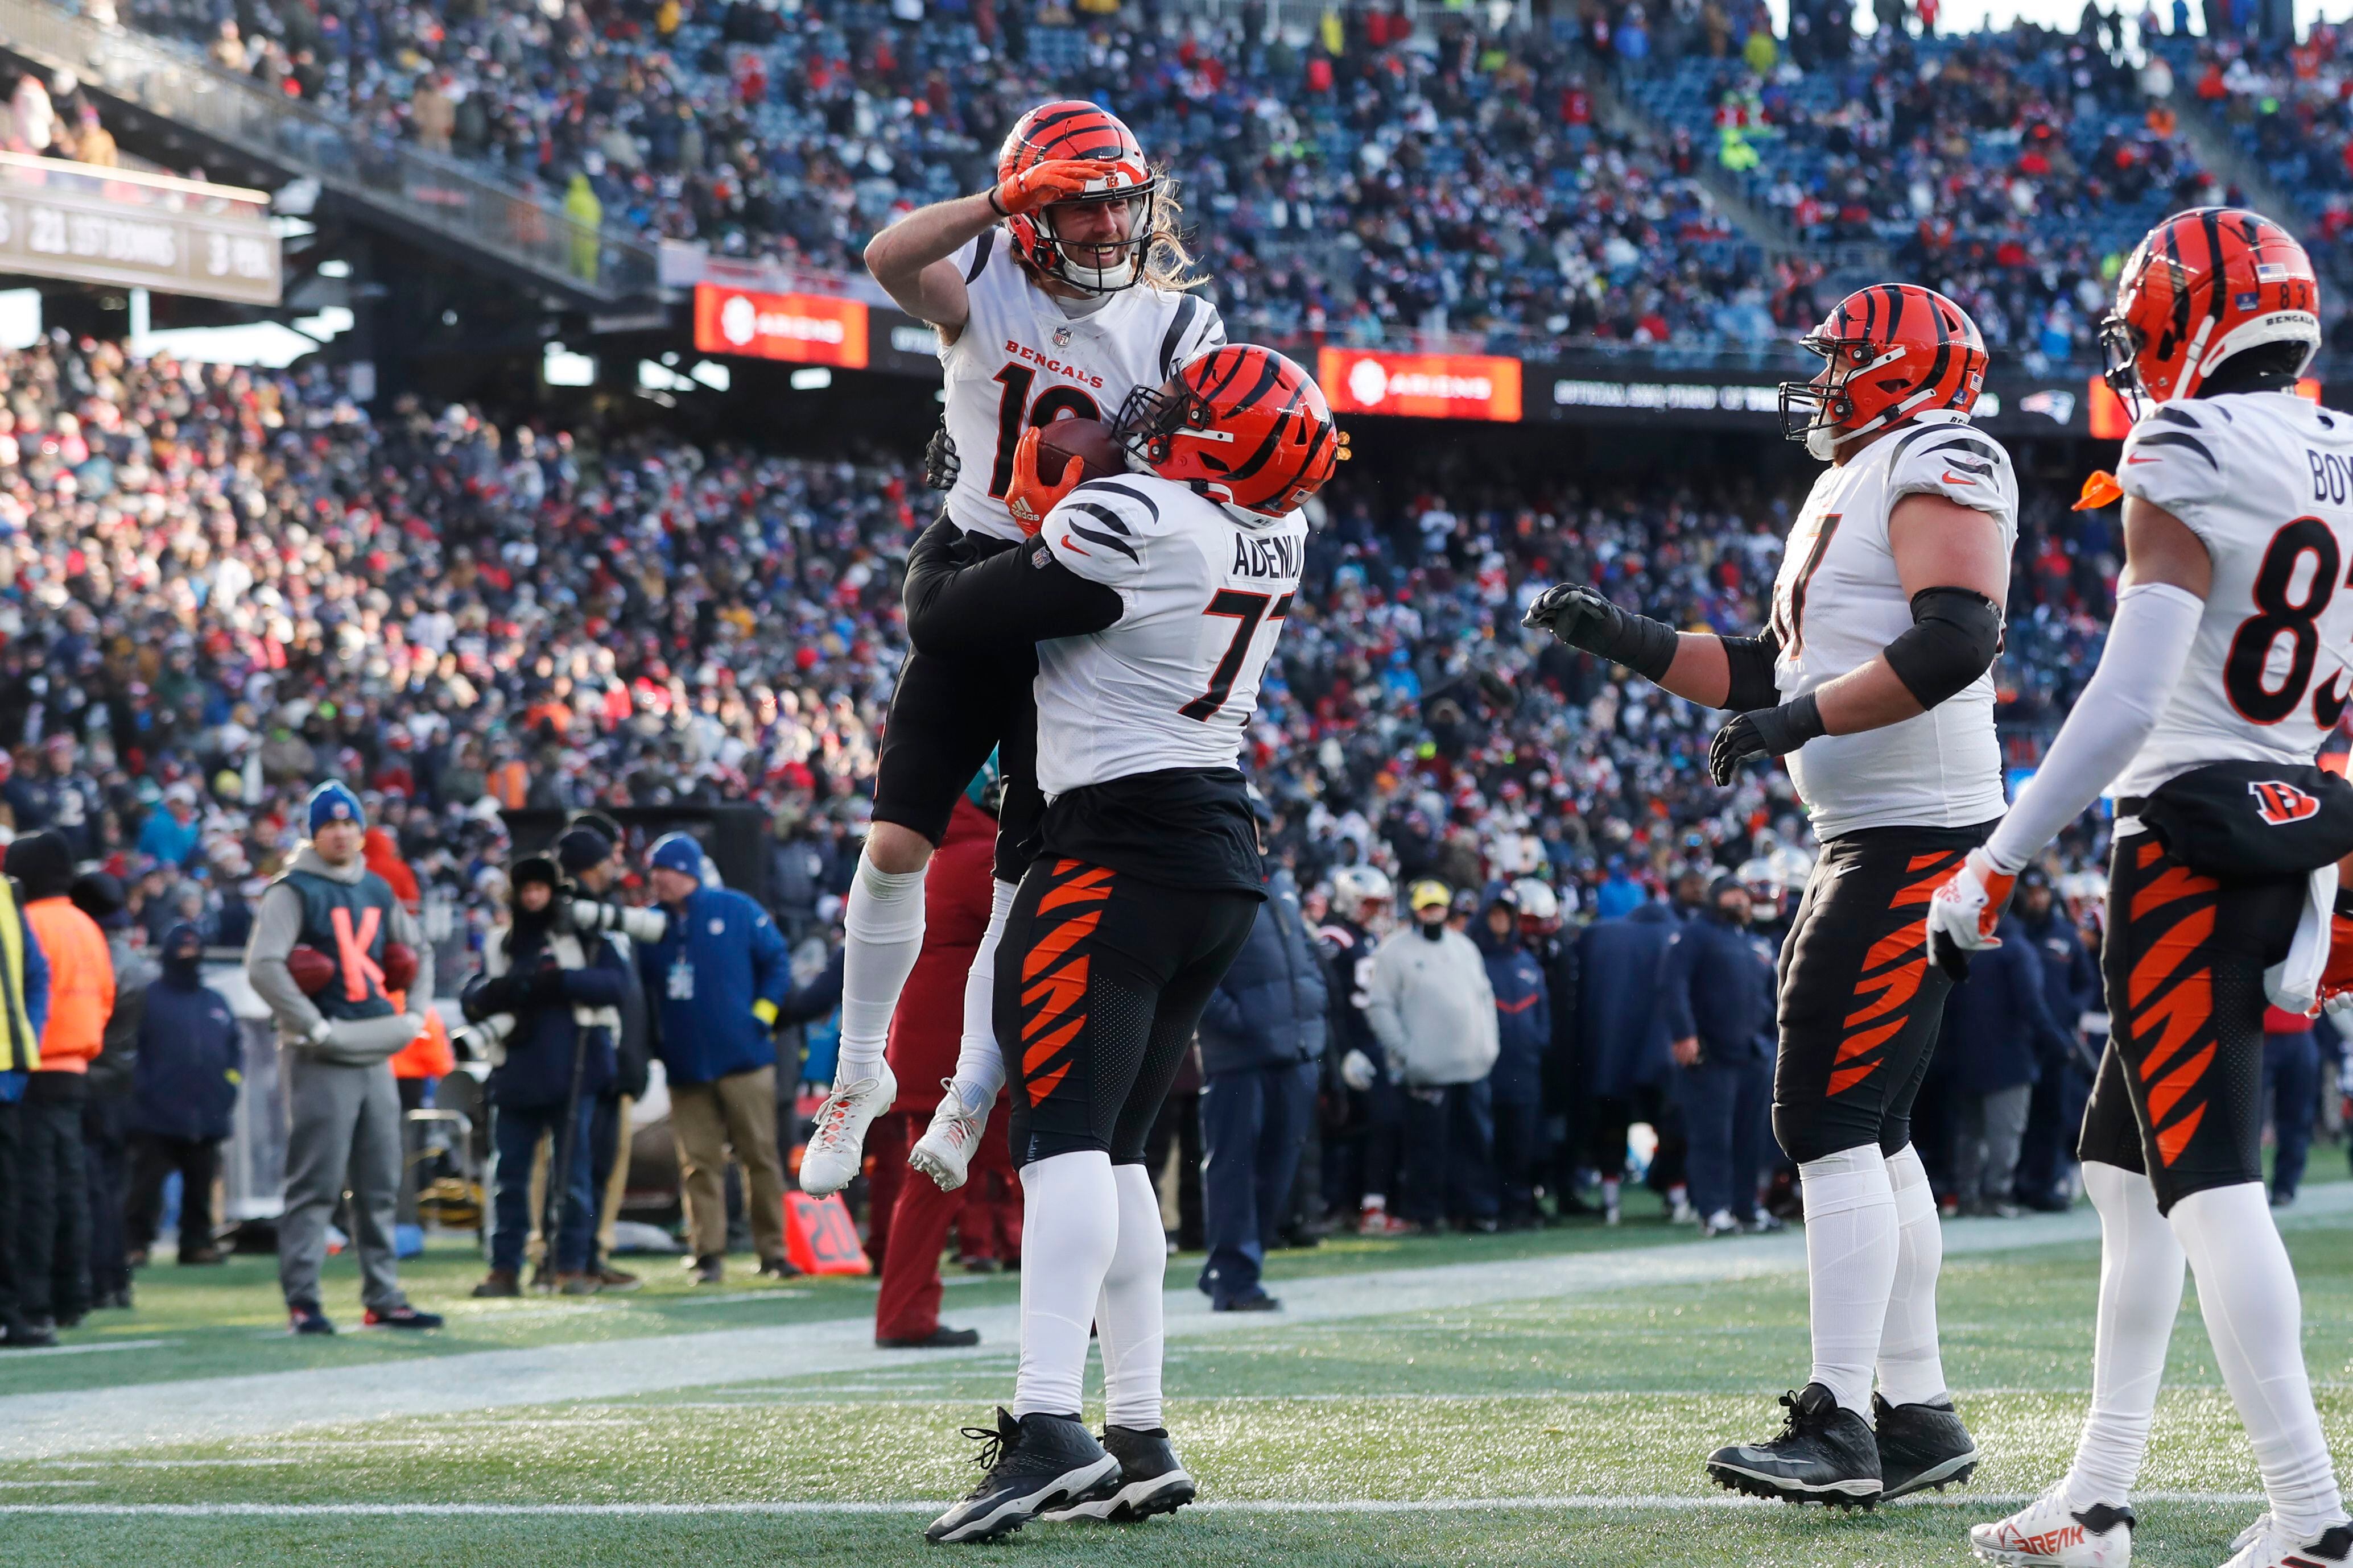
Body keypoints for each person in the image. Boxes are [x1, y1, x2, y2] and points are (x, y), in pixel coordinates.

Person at [1529, 282, 2012, 1504]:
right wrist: (1622, 636)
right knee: (1876, 1127)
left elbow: (1957, 637)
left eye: (1844, 358)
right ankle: (1916, 1409)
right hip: (1878, 827)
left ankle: (1842, 1419)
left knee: (1824, 1116)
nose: (1821, 377)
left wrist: (1790, 717)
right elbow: (1766, 663)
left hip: (1910, 830)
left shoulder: (1940, 451)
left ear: (1902, 372)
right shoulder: (1857, 473)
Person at [1939, 209, 2353, 1568]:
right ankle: (2093, 1496)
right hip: (2290, 815)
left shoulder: (2181, 439)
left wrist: (1996, 854)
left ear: (2193, 316)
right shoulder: (2341, 448)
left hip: (2180, 835)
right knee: (2121, 1173)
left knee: (2207, 1182)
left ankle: (2308, 1509)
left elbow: (2128, 692)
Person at [899, 342, 1338, 1542]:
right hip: (1213, 847)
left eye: (1188, 408)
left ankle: (1048, 1421)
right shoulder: (1274, 531)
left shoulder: (1142, 521)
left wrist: (968, 506)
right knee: (1122, 1152)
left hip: (1116, 848)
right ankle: (1138, 1429)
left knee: (1063, 1141)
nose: (1161, 413)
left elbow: (943, 620)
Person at [804, 99, 1227, 1203]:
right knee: (898, 837)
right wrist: (1003, 198)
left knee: (1024, 864)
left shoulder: (1179, 327)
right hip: (985, 554)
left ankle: (971, 1086)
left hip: (1087, 581)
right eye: (1079, 209)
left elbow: (1211, 464)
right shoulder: (983, 273)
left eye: (1117, 207)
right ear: (1034, 213)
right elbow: (888, 256)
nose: (1104, 229)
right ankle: (859, 1073)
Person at [244, 783, 440, 1335]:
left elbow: (418, 952)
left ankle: (384, 1293)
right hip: (322, 1052)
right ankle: (303, 1298)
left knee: (379, 1181)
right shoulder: (293, 889)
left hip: (373, 1046)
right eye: (329, 824)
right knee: (316, 1183)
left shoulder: (375, 887)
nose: (340, 832)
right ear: (313, 831)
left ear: (360, 829)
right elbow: (264, 966)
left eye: (348, 824)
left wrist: (414, 1016)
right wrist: (310, 1023)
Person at [868, 770, 1000, 1349]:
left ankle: (903, 1314)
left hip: (925, 1051)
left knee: (926, 1189)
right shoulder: (977, 857)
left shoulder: (932, 854)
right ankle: (1087, 1305)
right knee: (1055, 1166)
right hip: (969, 1060)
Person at [462, 855, 629, 1297]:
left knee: (572, 1178)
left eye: (541, 889)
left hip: (573, 1073)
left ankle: (569, 1264)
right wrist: (500, 990)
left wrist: (565, 980)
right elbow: (474, 993)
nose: (534, 898)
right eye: (527, 890)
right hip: (517, 1073)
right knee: (509, 1180)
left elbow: (617, 985)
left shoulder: (584, 938)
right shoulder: (501, 943)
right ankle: (505, 1267)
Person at [636, 831, 794, 1285]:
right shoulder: (652, 926)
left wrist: (761, 1017)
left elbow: (777, 962)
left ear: (685, 871)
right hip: (686, 1065)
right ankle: (707, 1252)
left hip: (745, 1060)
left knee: (760, 1156)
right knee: (698, 1162)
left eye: (662, 870)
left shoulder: (737, 908)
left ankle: (773, 1250)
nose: (655, 879)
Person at [1195, 799, 1328, 1310]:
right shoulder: (1206, 885)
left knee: (1278, 1166)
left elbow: (1303, 961)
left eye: (1258, 826)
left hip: (1292, 1049)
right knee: (1234, 1166)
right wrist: (1241, 1024)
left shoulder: (1281, 888)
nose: (1255, 834)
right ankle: (1234, 1277)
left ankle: (1233, 1266)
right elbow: (1196, 975)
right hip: (1240, 1056)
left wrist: (1313, 1009)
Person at [5, 828, 113, 1338]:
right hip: (78, 1066)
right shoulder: (86, 926)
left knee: (34, 1190)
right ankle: (76, 1293)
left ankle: (37, 1298)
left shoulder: (28, 919)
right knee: (73, 1184)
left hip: (33, 1066)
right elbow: (107, 997)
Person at [1365, 879, 1501, 1232]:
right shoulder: (1394, 951)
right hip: (1426, 1069)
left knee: (1474, 1143)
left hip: (1472, 1065)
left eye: (1438, 906)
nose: (1433, 913)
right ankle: (1427, 1214)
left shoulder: (1464, 947)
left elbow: (1485, 998)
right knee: (1427, 1147)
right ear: (1414, 910)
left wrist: (1489, 1046)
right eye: (1426, 907)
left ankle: (1474, 1211)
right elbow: (1380, 1006)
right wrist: (1407, 1054)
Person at [556, 818, 650, 1290]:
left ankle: (590, 1254)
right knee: (574, 1166)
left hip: (611, 1060)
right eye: (610, 855)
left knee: (598, 1167)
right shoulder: (571, 916)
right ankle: (564, 1258)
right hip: (579, 1059)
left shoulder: (609, 914)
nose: (618, 863)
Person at [1663, 875, 1776, 1236]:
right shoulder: (1695, 934)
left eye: (1744, 895)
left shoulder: (1754, 941)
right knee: (1712, 1136)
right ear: (1714, 898)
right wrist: (1683, 1033)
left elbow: (1770, 996)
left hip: (1753, 1054)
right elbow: (1673, 983)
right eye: (1732, 894)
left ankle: (1747, 1206)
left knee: (1751, 1136)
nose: (1741, 901)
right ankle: (1713, 1210)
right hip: (1711, 1055)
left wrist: (1772, 1041)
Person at [1939, 910, 2071, 1217]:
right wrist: (2058, 1044)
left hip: (1964, 1056)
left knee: (1969, 1132)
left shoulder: (1964, 947)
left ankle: (1967, 1196)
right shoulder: (2017, 949)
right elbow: (2031, 1005)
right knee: (2005, 1132)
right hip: (2010, 1057)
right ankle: (1996, 1196)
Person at [125, 924, 239, 1268]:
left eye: (194, 949)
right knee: (144, 1187)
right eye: (182, 949)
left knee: (201, 1185)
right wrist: (142, 1092)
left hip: (206, 1112)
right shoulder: (148, 999)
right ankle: (134, 1243)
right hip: (154, 1114)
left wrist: (227, 1088)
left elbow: (235, 1053)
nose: (188, 955)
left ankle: (197, 1243)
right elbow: (133, 1051)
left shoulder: (215, 1002)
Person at [1574, 890, 1681, 1225]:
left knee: (1611, 1124)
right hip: (1661, 1053)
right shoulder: (1677, 935)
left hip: (1610, 1051)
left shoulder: (1600, 936)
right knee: (1670, 1125)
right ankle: (1677, 1199)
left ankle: (1611, 1203)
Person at [72, 871, 148, 1308]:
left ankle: (97, 1280)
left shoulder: (95, 957)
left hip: (89, 1080)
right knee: (110, 1189)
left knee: (90, 1188)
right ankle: (116, 1281)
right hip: (119, 1084)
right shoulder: (130, 958)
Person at [1318, 864, 1406, 1234]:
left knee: (1378, 1123)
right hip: (1349, 1044)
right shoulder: (1333, 938)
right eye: (1370, 904)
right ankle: (1351, 1205)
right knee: (1352, 1126)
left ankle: (1364, 1204)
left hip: (1373, 1045)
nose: (1377, 912)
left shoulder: (1369, 939)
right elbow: (1330, 1001)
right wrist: (1344, 1051)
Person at [2010, 865, 2100, 1212]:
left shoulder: (2066, 935)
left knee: (2055, 1115)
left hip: (2059, 1044)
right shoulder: (2013, 934)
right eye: (2031, 893)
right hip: (2021, 1041)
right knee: (2021, 1117)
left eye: (2043, 891)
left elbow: (2086, 982)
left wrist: (2073, 1012)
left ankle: (2046, 1186)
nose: (2038, 898)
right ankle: (2017, 1185)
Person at [1475, 887, 1552, 1230]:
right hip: (1488, 1067)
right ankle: (1491, 1206)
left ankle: (1520, 1205)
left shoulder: (1527, 962)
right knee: (1490, 1139)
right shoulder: (1474, 960)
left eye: (1506, 915)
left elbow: (1543, 1015)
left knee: (1523, 1141)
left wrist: (1538, 1044)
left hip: (1526, 1068)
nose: (1500, 921)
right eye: (1494, 914)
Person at [0, 859, 51, 1348]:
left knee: (9, 1203)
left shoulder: (8, 894)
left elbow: (37, 974)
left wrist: (25, 1042)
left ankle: (9, 1310)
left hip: (4, 1080)